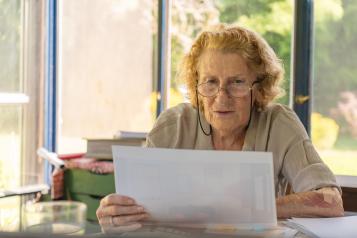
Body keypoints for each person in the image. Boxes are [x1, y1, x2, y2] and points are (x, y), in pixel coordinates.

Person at [96, 24, 344, 233]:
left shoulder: (278, 123)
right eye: (210, 82)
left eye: (237, 82)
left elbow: (329, 201)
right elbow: (134, 208)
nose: (221, 97)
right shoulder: (173, 125)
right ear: (196, 86)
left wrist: (247, 209)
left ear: (258, 87)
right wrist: (115, 213)